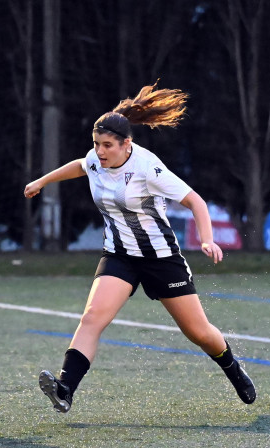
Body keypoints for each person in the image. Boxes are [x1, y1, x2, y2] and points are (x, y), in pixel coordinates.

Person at [24, 82, 256, 413]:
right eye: (96, 144)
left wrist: (206, 239)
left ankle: (232, 367)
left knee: (198, 332)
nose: (100, 152)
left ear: (126, 144)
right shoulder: (95, 159)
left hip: (161, 259)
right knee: (91, 318)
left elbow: (196, 201)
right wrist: (43, 181)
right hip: (119, 256)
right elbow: (80, 164)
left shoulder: (148, 168)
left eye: (107, 146)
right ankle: (65, 389)